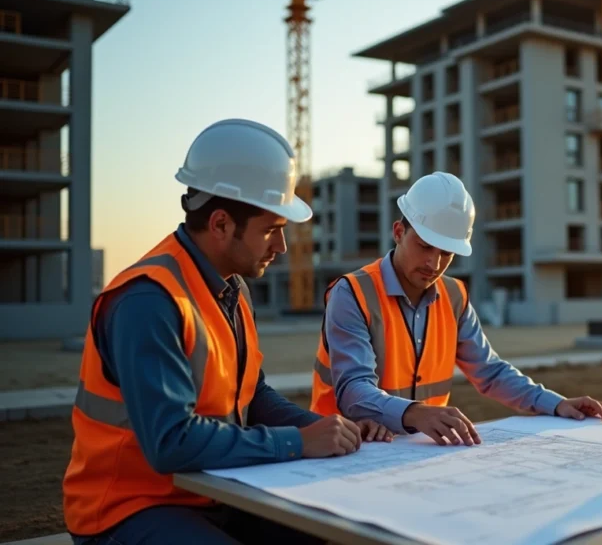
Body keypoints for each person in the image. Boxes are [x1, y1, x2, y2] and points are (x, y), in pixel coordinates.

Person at [62, 119, 390, 545]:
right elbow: (171, 442)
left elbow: (253, 395)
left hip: (212, 491)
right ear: (220, 224)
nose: (281, 247)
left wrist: (331, 429)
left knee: (334, 529)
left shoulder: (231, 287)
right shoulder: (148, 300)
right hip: (128, 508)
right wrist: (297, 441)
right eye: (271, 229)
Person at [309, 171, 602, 447]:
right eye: (425, 246)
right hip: (342, 449)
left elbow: (490, 372)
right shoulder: (352, 293)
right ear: (399, 232)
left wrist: (555, 403)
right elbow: (354, 390)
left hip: (417, 452)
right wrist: (418, 414)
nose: (434, 263)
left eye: (446, 253)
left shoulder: (454, 296)